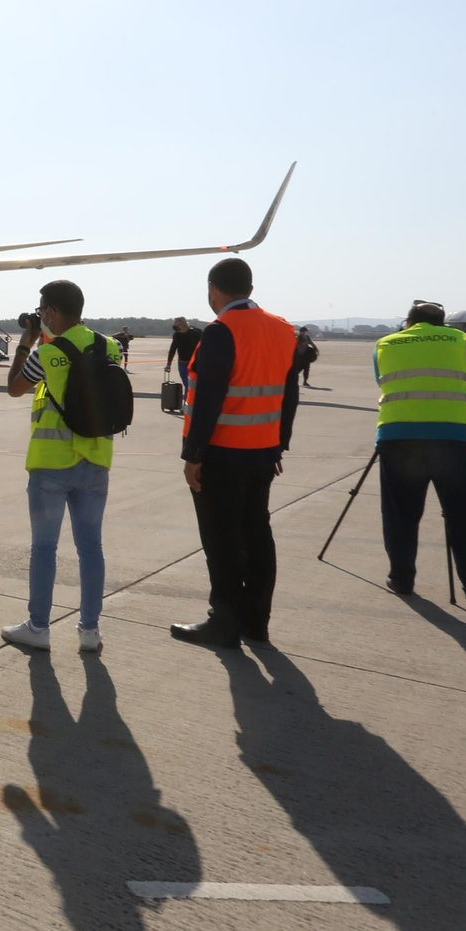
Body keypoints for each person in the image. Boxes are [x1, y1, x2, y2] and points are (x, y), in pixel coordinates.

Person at [169, 258, 299, 651]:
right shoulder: (282, 329)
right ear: (250, 289)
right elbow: (289, 394)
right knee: (258, 535)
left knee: (222, 541)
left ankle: (223, 623)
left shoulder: (222, 331)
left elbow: (207, 399)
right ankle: (256, 623)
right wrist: (278, 444)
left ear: (213, 289)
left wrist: (194, 455)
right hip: (262, 452)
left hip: (223, 455)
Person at [1, 280, 121, 653]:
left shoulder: (48, 353)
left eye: (42, 312)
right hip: (96, 460)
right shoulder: (111, 346)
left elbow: (15, 387)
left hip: (52, 465)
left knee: (44, 548)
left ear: (51, 312)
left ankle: (38, 627)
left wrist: (26, 342)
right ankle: (89, 630)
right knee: (91, 548)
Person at [373, 300, 466, 602]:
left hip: (400, 439)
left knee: (401, 514)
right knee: (465, 516)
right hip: (458, 439)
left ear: (408, 322)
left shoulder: (386, 343)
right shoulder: (460, 340)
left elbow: (382, 380)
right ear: (443, 324)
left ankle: (402, 579)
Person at [165, 316, 202, 392]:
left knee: (190, 386)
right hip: (182, 364)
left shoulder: (196, 333)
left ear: (181, 324)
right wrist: (169, 364)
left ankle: (188, 402)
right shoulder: (177, 335)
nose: (174, 325)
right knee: (187, 385)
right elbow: (172, 350)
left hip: (194, 364)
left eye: (175, 323)